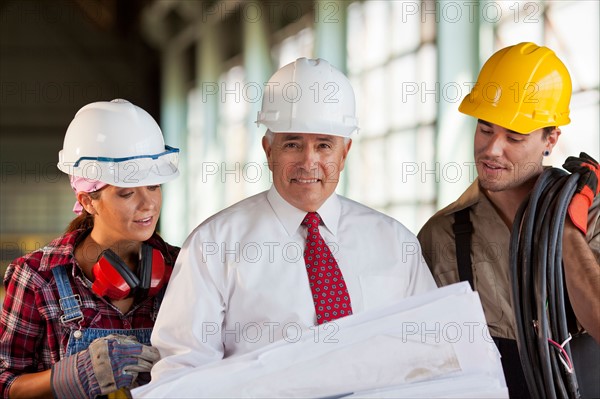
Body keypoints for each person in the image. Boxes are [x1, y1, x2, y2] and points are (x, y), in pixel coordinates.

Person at [148, 57, 436, 382]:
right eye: (292, 144)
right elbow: (182, 371)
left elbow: (431, 353)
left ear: (344, 153)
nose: (308, 161)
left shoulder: (395, 243)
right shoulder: (212, 246)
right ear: (268, 150)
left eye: (324, 145)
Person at [418, 42, 600, 398]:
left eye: (514, 137)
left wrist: (564, 230)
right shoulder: (439, 236)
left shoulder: (592, 217)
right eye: (485, 129)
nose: (492, 150)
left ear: (551, 139)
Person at [0, 99, 181, 398]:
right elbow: (5, 384)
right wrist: (67, 377)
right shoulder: (36, 277)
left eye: (154, 186)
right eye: (126, 193)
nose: (148, 204)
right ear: (87, 200)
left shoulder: (184, 267)